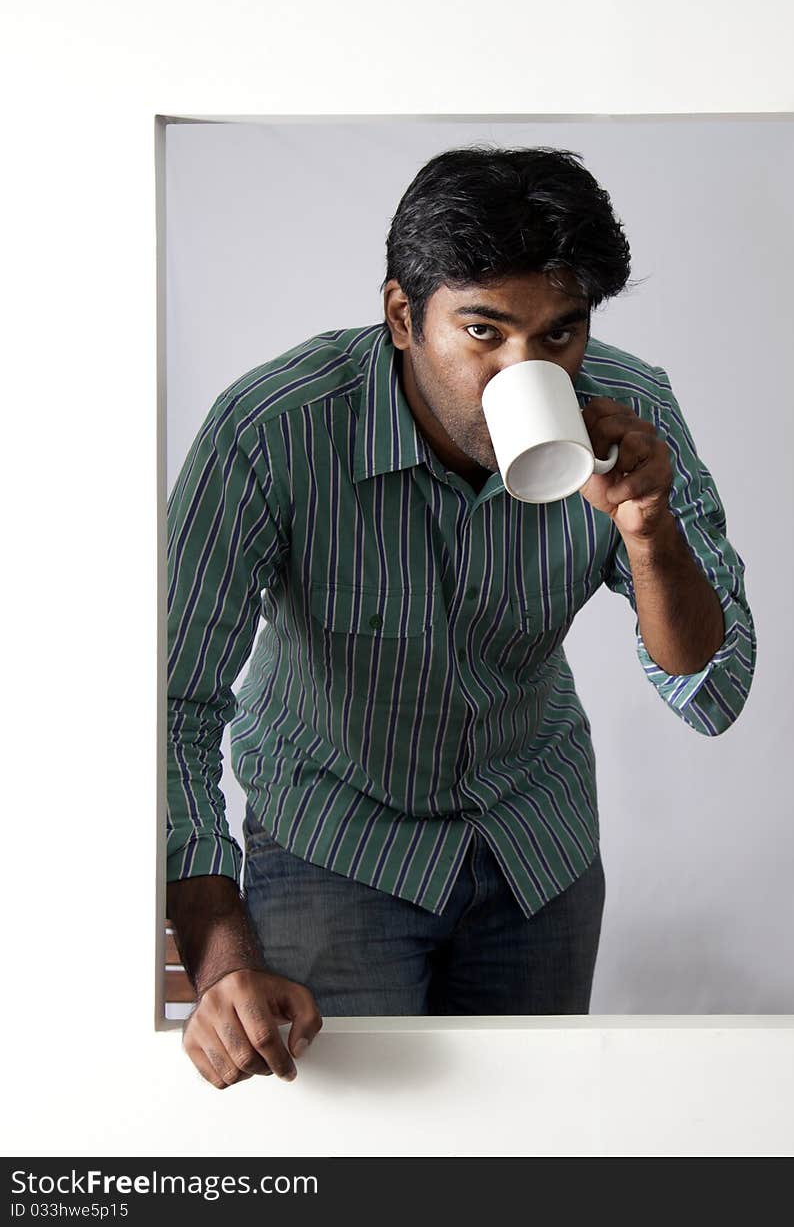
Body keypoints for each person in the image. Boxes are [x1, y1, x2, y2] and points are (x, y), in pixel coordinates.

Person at [166, 144, 757, 1089]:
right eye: (484, 332)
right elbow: (171, 703)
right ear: (404, 316)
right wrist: (223, 955)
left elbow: (711, 689)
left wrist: (650, 534)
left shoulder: (631, 410)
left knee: (518, 1154)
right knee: (356, 1154)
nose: (526, 369)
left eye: (560, 336)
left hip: (538, 846)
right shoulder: (271, 430)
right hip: (335, 842)